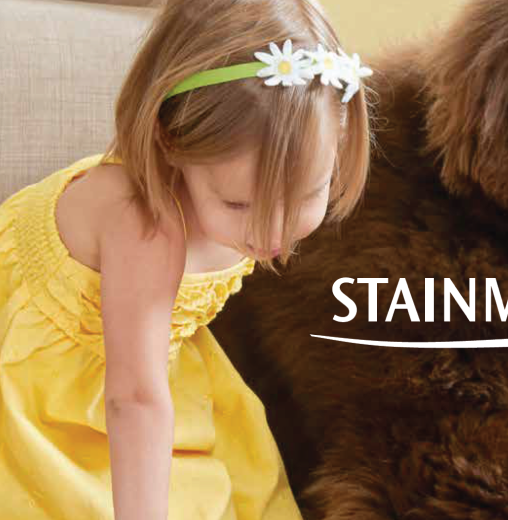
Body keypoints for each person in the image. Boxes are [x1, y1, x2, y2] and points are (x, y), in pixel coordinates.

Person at [0, 0, 372, 518]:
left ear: (342, 142)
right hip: (42, 388)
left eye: (308, 193)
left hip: (146, 366)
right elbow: (133, 401)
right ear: (170, 142)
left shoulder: (255, 187)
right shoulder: (145, 226)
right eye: (239, 204)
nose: (273, 231)